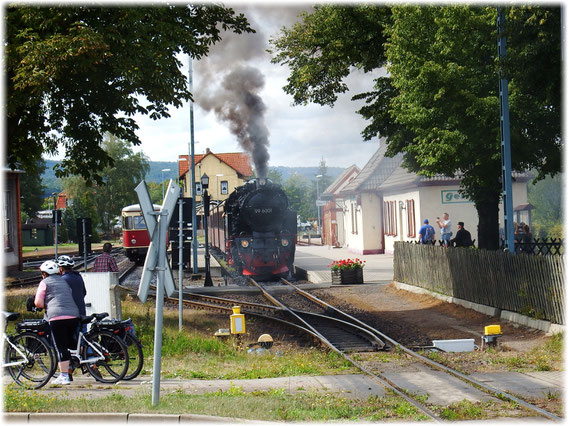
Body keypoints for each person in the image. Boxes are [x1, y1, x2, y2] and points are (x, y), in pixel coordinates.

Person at [34, 260, 80, 385]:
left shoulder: (44, 282)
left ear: (44, 273)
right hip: (74, 315)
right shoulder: (64, 281)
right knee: (71, 343)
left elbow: (38, 303)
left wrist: (43, 306)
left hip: (57, 317)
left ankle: (64, 376)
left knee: (61, 347)